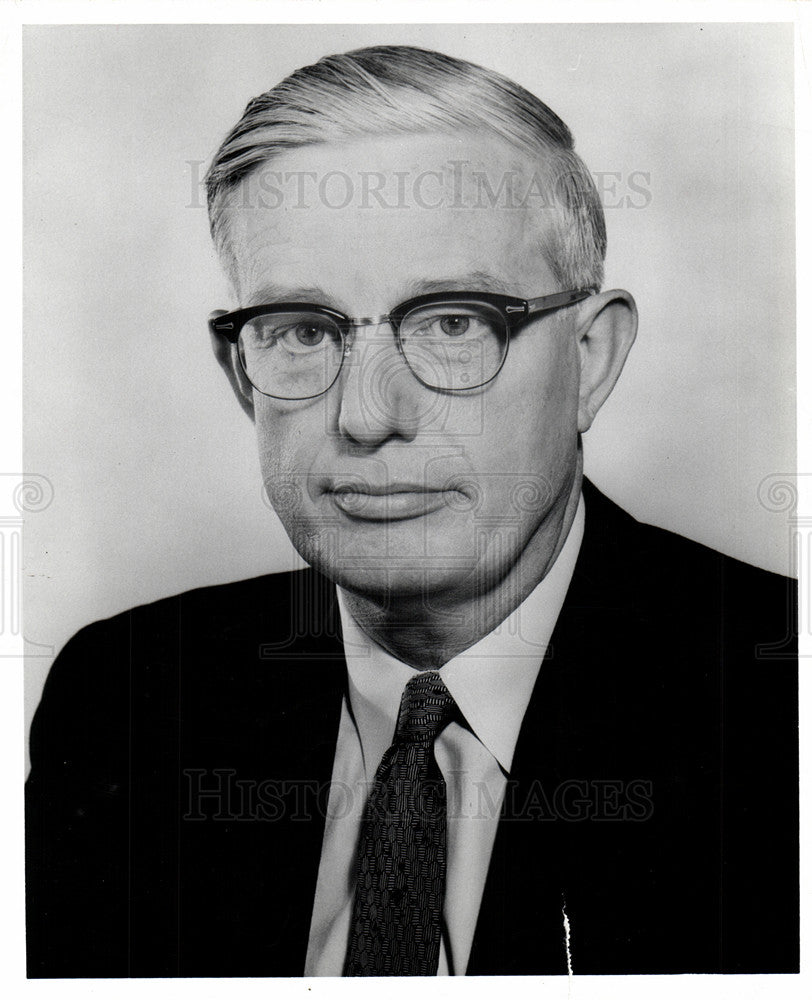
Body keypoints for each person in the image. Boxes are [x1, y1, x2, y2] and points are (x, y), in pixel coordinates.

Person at [25, 45, 798, 978]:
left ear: (590, 361)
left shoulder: (779, 706)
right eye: (303, 332)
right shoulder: (130, 698)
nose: (366, 415)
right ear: (243, 377)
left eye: (453, 321)